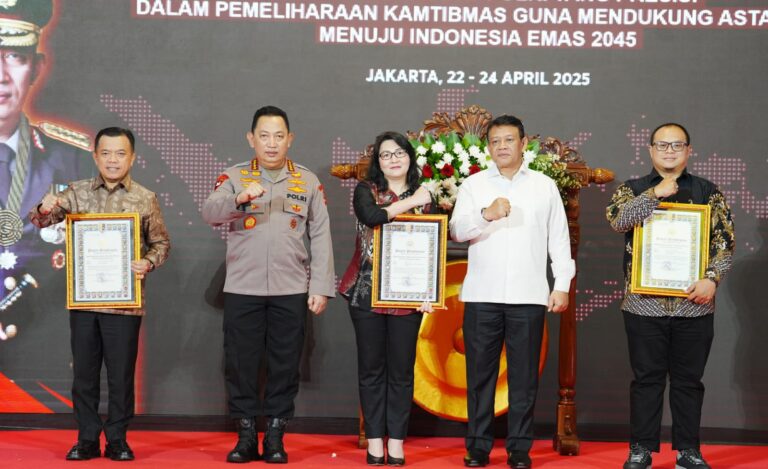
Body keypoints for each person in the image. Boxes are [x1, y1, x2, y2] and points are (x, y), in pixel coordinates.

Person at [202, 105, 335, 464]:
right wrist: (238, 199)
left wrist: (320, 286)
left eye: (279, 136)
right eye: (264, 136)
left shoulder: (307, 180)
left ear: (290, 139)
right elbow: (210, 212)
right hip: (242, 289)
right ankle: (246, 436)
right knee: (241, 364)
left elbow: (321, 235)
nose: (272, 143)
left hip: (291, 289)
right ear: (252, 139)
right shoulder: (234, 176)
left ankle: (275, 436)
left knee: (285, 365)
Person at [29, 127, 170, 461]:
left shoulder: (145, 197)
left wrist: (148, 262)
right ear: (95, 156)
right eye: (106, 153)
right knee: (84, 376)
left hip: (125, 304)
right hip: (85, 301)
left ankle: (118, 439)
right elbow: (39, 221)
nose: (113, 160)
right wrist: (45, 207)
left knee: (121, 377)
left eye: (120, 153)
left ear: (132, 158)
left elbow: (161, 244)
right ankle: (87, 438)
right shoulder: (75, 193)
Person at [606, 123, 734, 469]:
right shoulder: (633, 189)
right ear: (650, 150)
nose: (669, 151)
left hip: (694, 305)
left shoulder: (708, 191)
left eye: (677, 145)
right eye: (662, 145)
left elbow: (724, 243)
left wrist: (711, 280)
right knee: (645, 381)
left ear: (689, 151)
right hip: (643, 305)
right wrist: (654, 194)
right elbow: (618, 221)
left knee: (689, 382)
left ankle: (688, 451)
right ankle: (641, 450)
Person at [449, 115, 574, 469]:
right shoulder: (473, 184)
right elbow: (457, 230)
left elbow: (559, 239)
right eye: (495, 141)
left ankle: (519, 448)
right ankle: (478, 446)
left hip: (528, 297)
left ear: (523, 144)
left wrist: (561, 285)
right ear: (487, 147)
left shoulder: (544, 186)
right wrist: (485, 215)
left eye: (508, 140)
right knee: (480, 377)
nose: (502, 146)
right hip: (482, 296)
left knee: (523, 378)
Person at [338, 131, 433, 466]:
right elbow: (373, 217)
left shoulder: (429, 196)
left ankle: (397, 441)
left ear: (410, 157)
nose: (393, 160)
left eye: (399, 153)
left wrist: (429, 292)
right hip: (367, 294)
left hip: (409, 298)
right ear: (377, 162)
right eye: (385, 155)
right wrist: (411, 201)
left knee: (402, 373)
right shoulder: (367, 190)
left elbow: (435, 246)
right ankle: (375, 440)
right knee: (371, 370)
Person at [0, 0, 91, 271]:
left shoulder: (74, 161)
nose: (1, 76)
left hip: (46, 298)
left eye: (15, 56)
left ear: (36, 69)